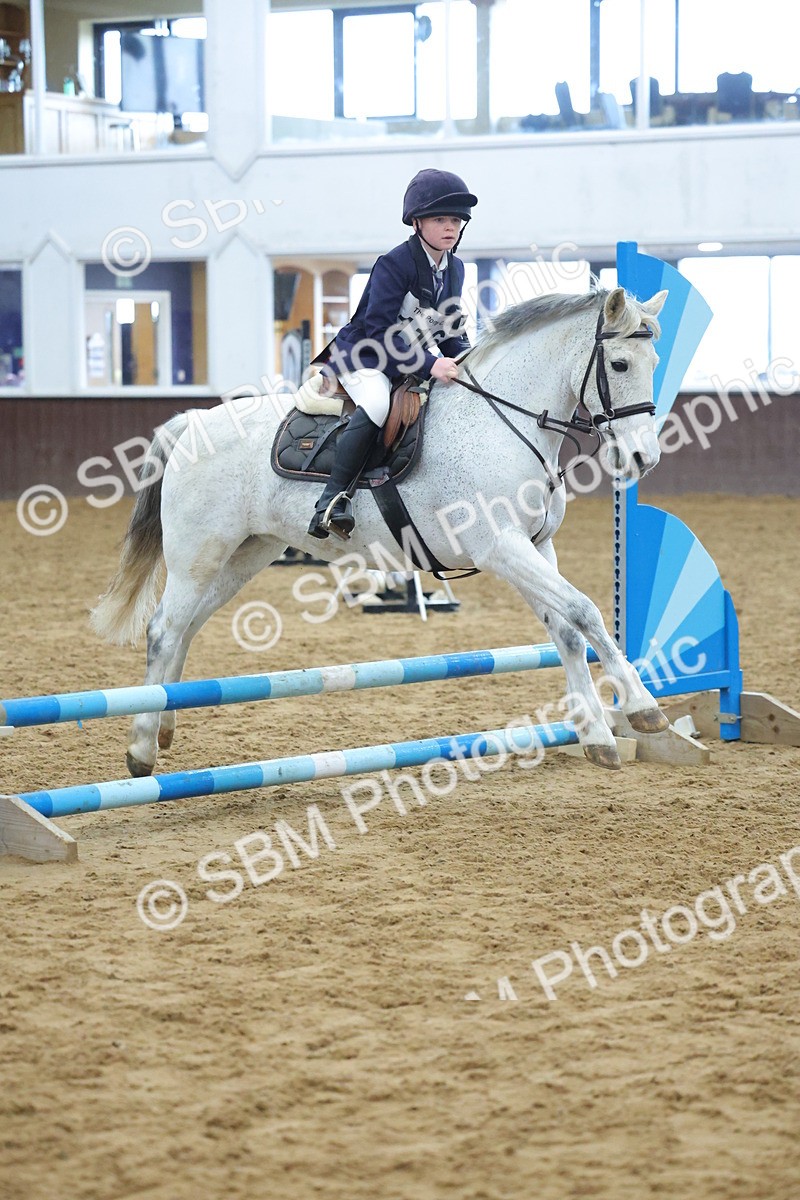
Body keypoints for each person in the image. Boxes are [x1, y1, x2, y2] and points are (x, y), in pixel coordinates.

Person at [307, 167, 479, 539]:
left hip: (403, 363)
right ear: (416, 222)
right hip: (363, 355)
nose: (450, 227)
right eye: (440, 219)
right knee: (377, 403)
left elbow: (449, 329)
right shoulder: (394, 263)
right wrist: (432, 364)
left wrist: (471, 361)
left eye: (456, 220)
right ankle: (332, 500)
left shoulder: (456, 268)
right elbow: (378, 331)